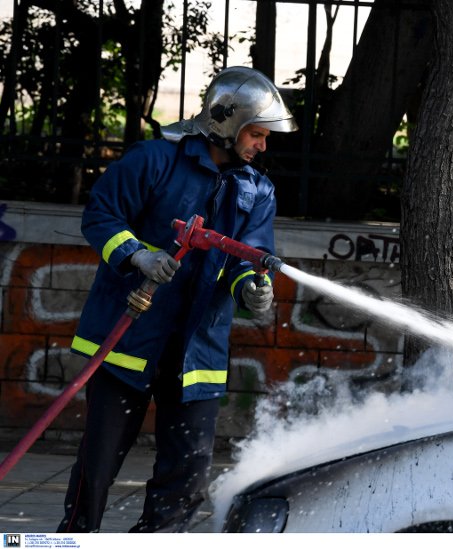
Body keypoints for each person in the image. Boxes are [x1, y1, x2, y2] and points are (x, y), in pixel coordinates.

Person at [57, 66, 298, 533]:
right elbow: (101, 216)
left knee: (187, 475)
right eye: (257, 133)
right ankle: (74, 539)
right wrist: (138, 256)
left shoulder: (257, 189)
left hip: (196, 352)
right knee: (98, 465)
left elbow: (247, 256)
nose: (262, 146)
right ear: (226, 122)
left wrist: (250, 286)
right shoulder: (153, 161)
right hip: (126, 340)